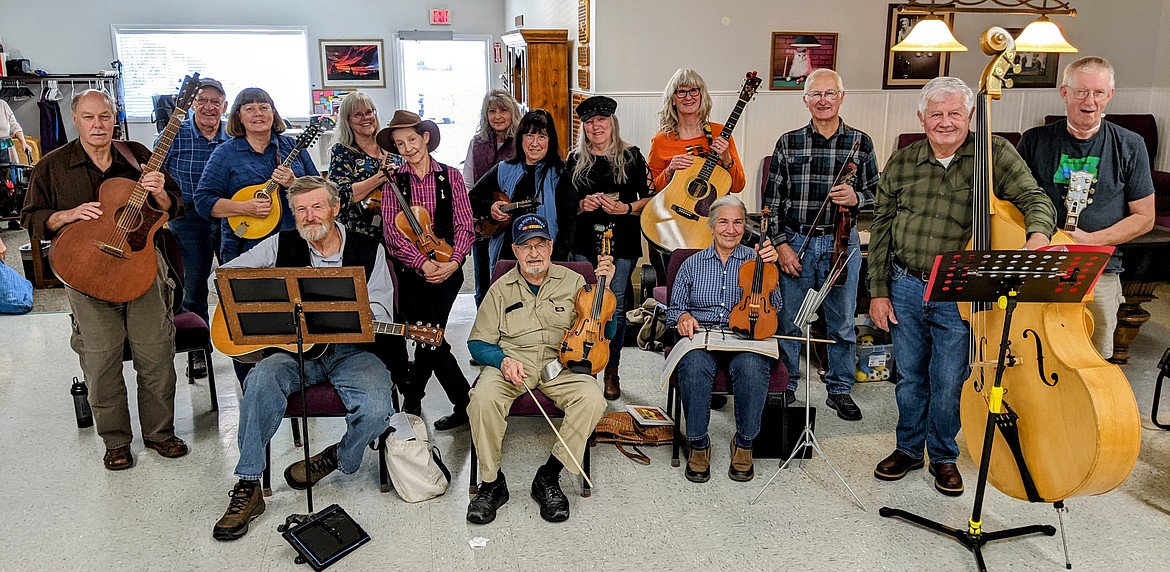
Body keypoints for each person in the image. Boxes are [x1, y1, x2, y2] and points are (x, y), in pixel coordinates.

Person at [867, 77, 1056, 497]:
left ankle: (944, 455)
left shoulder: (995, 154)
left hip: (962, 291)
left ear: (971, 115)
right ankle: (908, 449)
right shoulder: (902, 161)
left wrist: (1038, 235)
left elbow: (1035, 199)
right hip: (905, 285)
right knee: (910, 376)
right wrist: (878, 291)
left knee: (949, 377)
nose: (945, 122)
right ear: (921, 118)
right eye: (936, 114)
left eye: (955, 113)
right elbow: (880, 228)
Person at [210, 176, 394, 541]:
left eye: (317, 207)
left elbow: (383, 310)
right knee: (260, 380)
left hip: (351, 353)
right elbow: (228, 276)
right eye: (301, 210)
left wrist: (355, 314)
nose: (310, 217)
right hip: (293, 353)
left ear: (336, 207)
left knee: (376, 408)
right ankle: (248, 485)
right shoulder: (281, 242)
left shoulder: (368, 249)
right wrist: (268, 297)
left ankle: (336, 457)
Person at [21, 89, 187, 470]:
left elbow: (175, 208)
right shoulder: (52, 166)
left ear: (115, 118)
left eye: (105, 116)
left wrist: (160, 193)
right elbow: (30, 217)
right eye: (89, 117)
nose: (98, 125)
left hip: (142, 269)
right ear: (75, 120)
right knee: (100, 361)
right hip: (87, 274)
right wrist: (64, 216)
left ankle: (160, 433)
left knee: (156, 354)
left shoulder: (138, 156)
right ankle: (115, 441)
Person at [465, 213, 611, 524]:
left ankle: (549, 475)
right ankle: (492, 484)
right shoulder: (501, 288)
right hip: (511, 362)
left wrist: (604, 290)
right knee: (482, 400)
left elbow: (604, 332)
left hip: (561, 363)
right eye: (526, 246)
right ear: (515, 251)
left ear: (551, 246)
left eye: (540, 244)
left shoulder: (575, 282)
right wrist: (502, 361)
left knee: (593, 399)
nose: (534, 253)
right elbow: (477, 343)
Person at [1017, 56, 1156, 359]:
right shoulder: (1034, 141)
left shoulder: (1130, 144)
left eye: (1098, 93)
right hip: (1043, 267)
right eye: (1081, 92)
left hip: (1100, 270)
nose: (1089, 101)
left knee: (1095, 357)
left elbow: (1145, 217)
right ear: (1064, 92)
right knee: (1034, 351)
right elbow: (1012, 203)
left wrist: (1092, 240)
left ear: (1110, 95)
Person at [764, 69, 879, 420]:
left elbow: (879, 195)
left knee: (842, 322)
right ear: (805, 100)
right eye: (816, 95)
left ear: (842, 97)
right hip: (797, 240)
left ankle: (840, 388)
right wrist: (781, 245)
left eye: (830, 94)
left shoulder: (861, 142)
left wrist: (856, 197)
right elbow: (771, 202)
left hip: (842, 244)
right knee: (788, 322)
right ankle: (787, 384)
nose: (823, 101)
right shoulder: (788, 142)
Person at [666, 195, 782, 483]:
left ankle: (744, 442)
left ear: (746, 226)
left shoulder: (758, 261)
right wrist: (683, 318)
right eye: (724, 222)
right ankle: (698, 443)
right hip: (704, 334)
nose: (731, 229)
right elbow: (675, 310)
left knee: (752, 368)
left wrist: (771, 273)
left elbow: (775, 305)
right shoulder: (691, 264)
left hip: (745, 336)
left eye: (738, 222)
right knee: (693, 366)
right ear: (712, 225)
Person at [377, 110, 474, 430]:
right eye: (399, 143)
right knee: (431, 337)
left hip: (448, 269)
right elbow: (393, 236)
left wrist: (454, 261)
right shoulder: (393, 183)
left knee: (428, 336)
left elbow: (464, 225)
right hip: (410, 275)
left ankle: (413, 395)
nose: (407, 147)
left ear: (426, 138)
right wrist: (422, 263)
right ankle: (464, 403)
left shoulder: (451, 176)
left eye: (412, 139)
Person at [564, 95, 653, 400]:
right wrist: (580, 205)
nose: (596, 127)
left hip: (622, 243)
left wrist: (625, 208)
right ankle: (582, 366)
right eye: (589, 122)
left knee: (614, 310)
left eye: (601, 120)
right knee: (582, 308)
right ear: (583, 128)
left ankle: (611, 369)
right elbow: (564, 206)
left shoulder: (632, 156)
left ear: (612, 123)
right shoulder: (574, 160)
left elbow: (650, 202)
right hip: (583, 243)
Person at [194, 87, 318, 264]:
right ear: (239, 116)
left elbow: (322, 193)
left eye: (264, 107)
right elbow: (203, 201)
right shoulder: (225, 153)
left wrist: (295, 183)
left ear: (273, 113)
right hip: (245, 246)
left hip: (296, 242)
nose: (258, 114)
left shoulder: (292, 147)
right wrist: (245, 208)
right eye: (249, 109)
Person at [157, 78, 229, 379]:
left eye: (216, 101)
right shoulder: (175, 134)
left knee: (236, 283)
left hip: (229, 218)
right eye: (203, 100)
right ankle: (199, 354)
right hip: (187, 218)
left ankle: (247, 346)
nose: (209, 107)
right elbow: (155, 173)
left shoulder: (234, 136)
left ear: (224, 106)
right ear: (191, 103)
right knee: (193, 289)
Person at [469, 109, 576, 267]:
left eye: (541, 136)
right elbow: (472, 198)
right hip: (506, 256)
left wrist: (556, 264)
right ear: (520, 138)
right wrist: (489, 207)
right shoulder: (504, 169)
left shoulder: (561, 176)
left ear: (550, 141)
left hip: (545, 260)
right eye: (529, 135)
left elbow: (568, 228)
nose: (534, 143)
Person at [647, 68, 746, 201]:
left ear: (701, 96)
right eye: (681, 92)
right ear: (673, 100)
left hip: (715, 211)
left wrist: (727, 159)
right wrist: (669, 171)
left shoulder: (720, 133)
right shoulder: (661, 140)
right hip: (678, 209)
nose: (688, 97)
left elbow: (738, 187)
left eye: (693, 90)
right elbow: (651, 190)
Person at [463, 89, 521, 307]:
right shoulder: (476, 143)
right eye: (492, 111)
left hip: (512, 223)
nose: (497, 116)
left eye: (503, 110)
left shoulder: (522, 142)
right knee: (482, 282)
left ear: (512, 113)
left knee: (507, 280)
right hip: (482, 221)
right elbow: (468, 182)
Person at [328, 91, 396, 244]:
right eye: (358, 114)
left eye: (368, 112)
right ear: (348, 120)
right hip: (358, 235)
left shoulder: (390, 148)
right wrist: (379, 178)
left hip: (393, 230)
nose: (365, 118)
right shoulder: (342, 151)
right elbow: (341, 197)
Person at [1, 98, 33, 174]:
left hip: (6, 150)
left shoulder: (2, 105)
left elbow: (14, 126)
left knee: (9, 180)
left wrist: (24, 143)